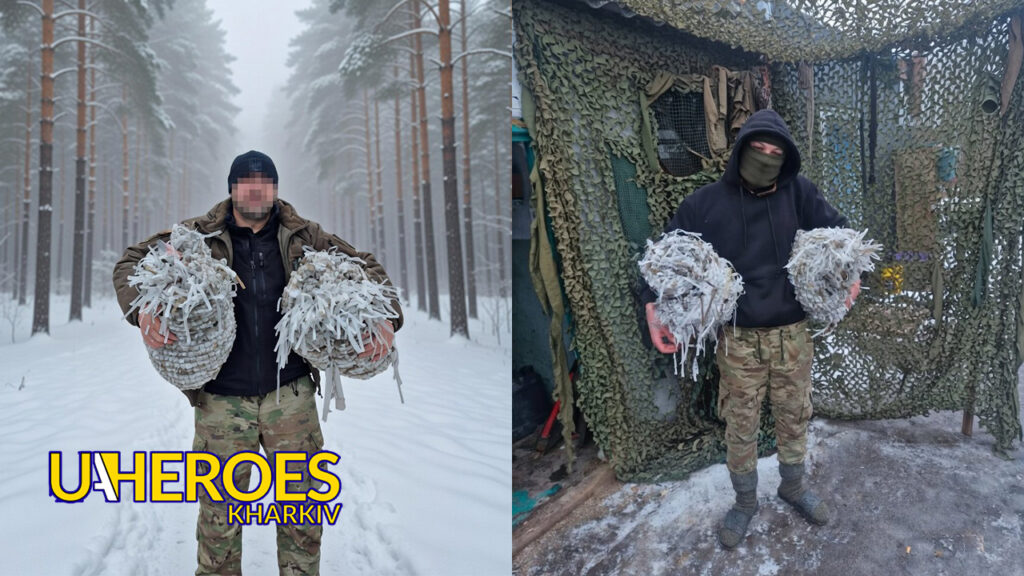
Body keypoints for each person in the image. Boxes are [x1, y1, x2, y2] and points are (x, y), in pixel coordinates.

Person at [112, 150, 403, 575]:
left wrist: (388, 316)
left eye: (263, 180)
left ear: (275, 188)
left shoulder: (304, 235)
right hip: (221, 402)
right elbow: (129, 263)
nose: (254, 187)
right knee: (219, 517)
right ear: (232, 188)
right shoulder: (196, 235)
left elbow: (368, 267)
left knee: (302, 510)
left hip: (291, 396)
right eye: (245, 180)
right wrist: (141, 309)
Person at [643, 110, 860, 549]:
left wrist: (852, 274)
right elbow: (664, 261)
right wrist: (652, 307)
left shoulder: (800, 193)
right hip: (738, 338)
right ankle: (744, 501)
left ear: (787, 158)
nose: (765, 158)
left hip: (793, 335)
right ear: (741, 150)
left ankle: (793, 486)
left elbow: (840, 237)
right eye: (757, 149)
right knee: (739, 422)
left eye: (775, 153)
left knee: (795, 414)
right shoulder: (703, 204)